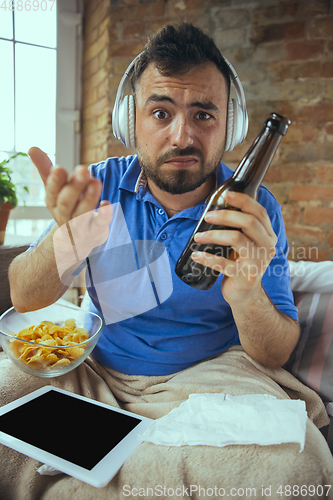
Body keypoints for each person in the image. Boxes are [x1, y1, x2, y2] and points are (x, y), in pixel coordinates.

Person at [1, 22, 332, 500]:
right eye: (161, 113)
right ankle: (149, 465)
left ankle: (94, 474)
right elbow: (24, 299)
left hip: (211, 377)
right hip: (96, 373)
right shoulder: (100, 189)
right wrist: (66, 237)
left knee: (298, 465)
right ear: (132, 121)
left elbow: (274, 353)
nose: (183, 136)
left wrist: (246, 292)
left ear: (229, 127)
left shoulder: (254, 210)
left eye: (203, 115)